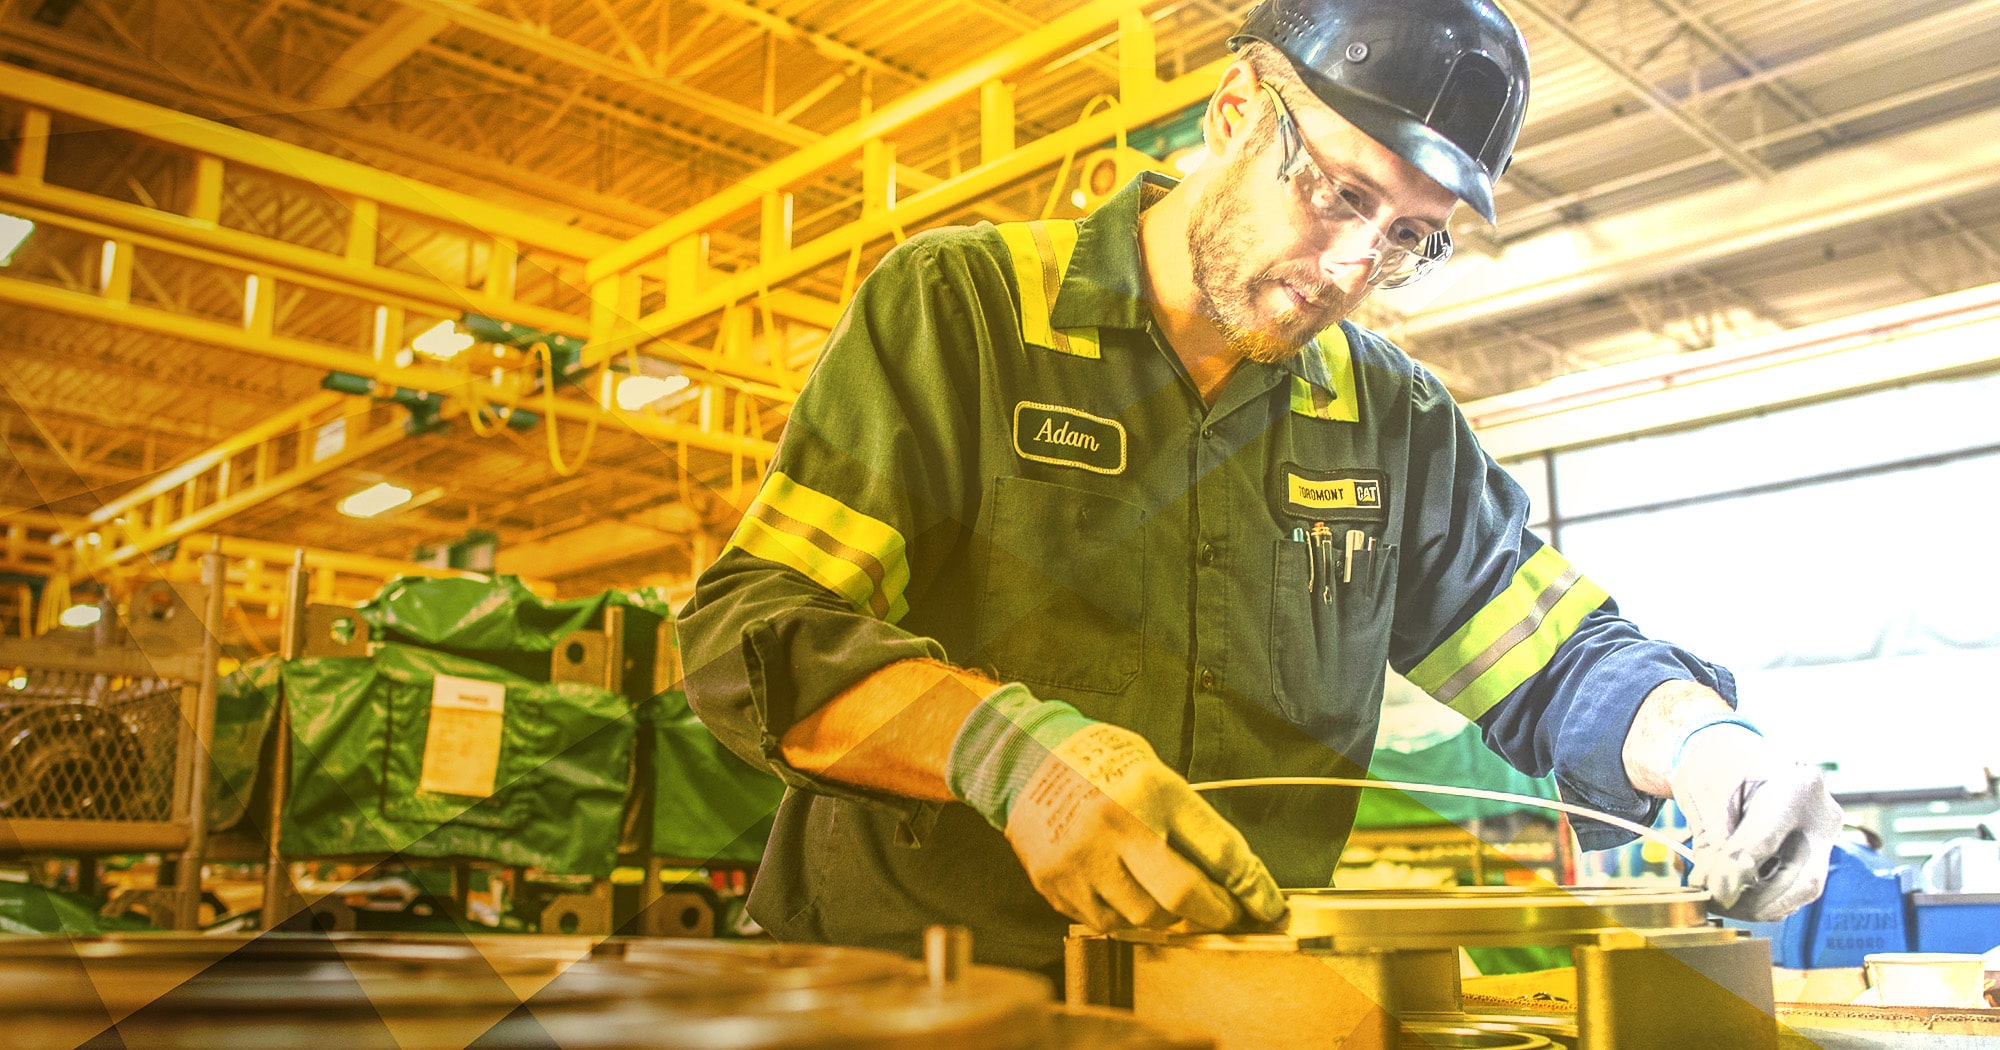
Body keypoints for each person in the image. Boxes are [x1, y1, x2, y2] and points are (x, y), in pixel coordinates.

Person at [676, 0, 1842, 975]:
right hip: (900, 994)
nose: (1352, 268)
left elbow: (1555, 658)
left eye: (1406, 239)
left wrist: (1707, 748)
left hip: (1225, 1005)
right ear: (1234, 112)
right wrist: (1011, 759)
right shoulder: (968, 312)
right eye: (1339, 195)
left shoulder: (1389, 423)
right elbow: (753, 637)